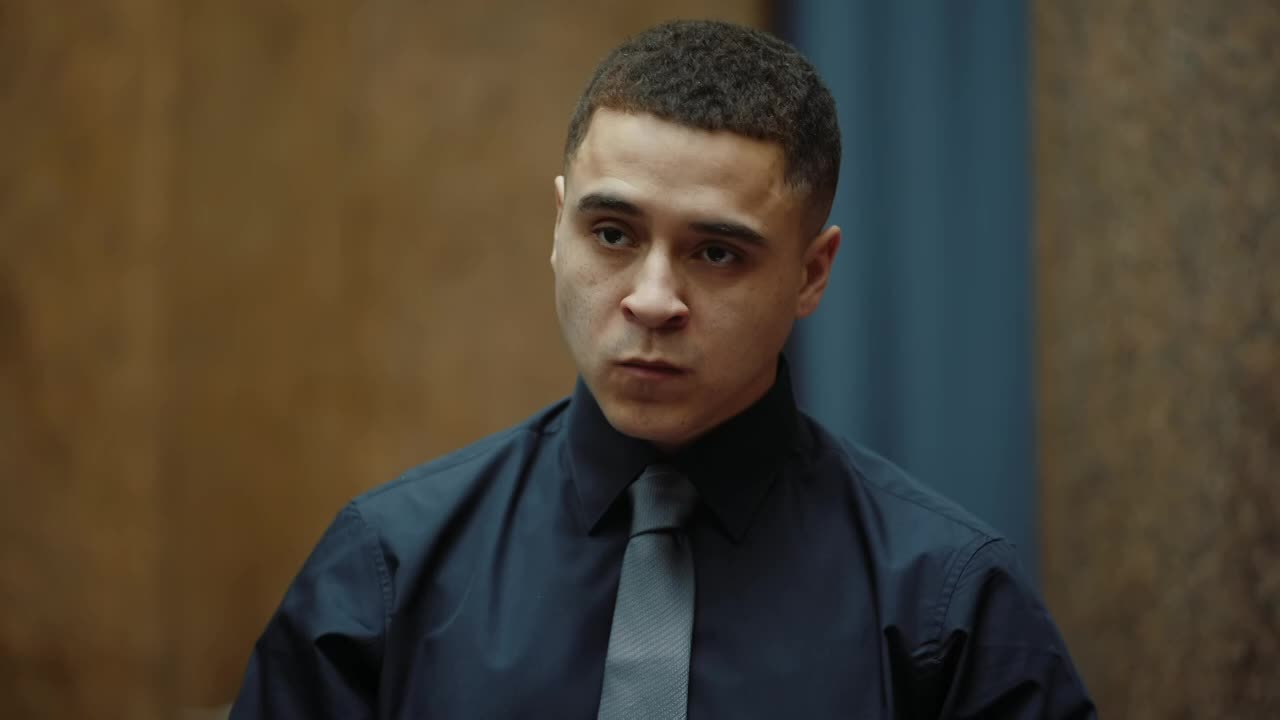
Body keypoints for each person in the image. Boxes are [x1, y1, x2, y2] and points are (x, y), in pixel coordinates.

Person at [230, 19, 1095, 719]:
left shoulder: (947, 604)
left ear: (811, 273)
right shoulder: (386, 569)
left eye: (717, 253)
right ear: (559, 226)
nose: (652, 300)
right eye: (612, 234)